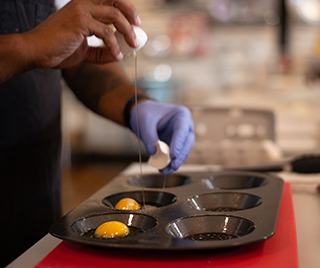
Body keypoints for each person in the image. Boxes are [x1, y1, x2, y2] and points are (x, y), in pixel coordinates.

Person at [0, 0, 195, 266]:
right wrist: (28, 47)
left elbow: (75, 56)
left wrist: (135, 104)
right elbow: (41, 45)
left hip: (34, 191)